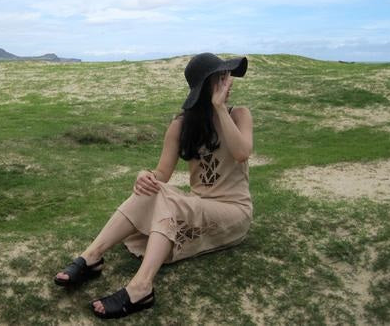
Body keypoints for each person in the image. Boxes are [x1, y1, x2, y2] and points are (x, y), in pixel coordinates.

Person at [54, 53, 253, 319]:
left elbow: (241, 153)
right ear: (207, 85)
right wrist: (144, 175)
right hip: (198, 206)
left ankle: (141, 286)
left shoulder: (239, 114)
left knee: (168, 201)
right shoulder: (181, 125)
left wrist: (219, 108)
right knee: (151, 190)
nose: (229, 83)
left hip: (234, 212)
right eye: (222, 77)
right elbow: (162, 174)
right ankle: (92, 256)